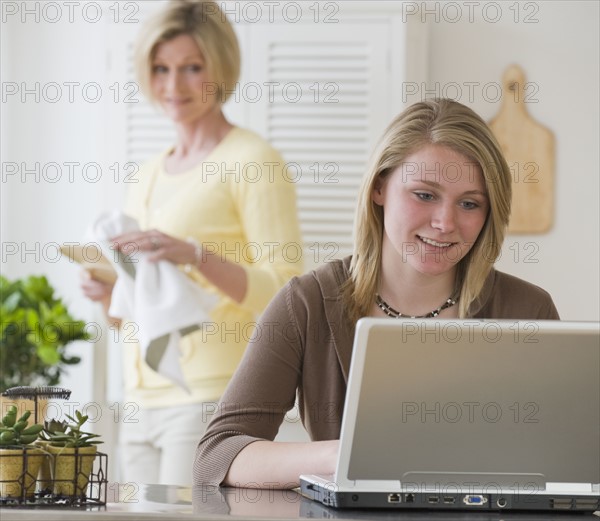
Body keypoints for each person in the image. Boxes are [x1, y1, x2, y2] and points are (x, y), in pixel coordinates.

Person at [193, 98, 560, 489]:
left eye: (469, 203)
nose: (444, 223)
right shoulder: (307, 303)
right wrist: (342, 455)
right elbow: (217, 455)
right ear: (379, 187)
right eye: (424, 194)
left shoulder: (527, 309)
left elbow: (568, 455)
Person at [80, 0, 303, 486]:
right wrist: (109, 296)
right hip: (139, 402)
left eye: (191, 68)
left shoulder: (253, 161)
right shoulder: (146, 175)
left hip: (209, 398)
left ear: (219, 67)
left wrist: (195, 255)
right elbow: (139, 312)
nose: (173, 86)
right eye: (160, 69)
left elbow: (288, 292)